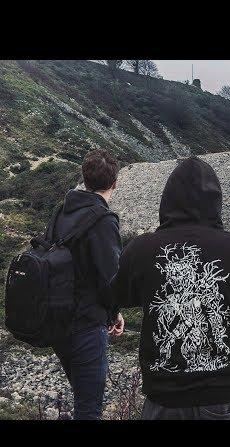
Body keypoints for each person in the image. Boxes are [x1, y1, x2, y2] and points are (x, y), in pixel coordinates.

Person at [111, 156, 230, 420]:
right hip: (229, 395)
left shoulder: (141, 249)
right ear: (216, 202)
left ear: (167, 201)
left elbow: (111, 295)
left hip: (165, 399)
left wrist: (116, 312)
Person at [50, 149, 125, 420]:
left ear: (84, 178)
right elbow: (111, 278)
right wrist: (115, 312)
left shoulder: (61, 211)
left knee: (82, 396)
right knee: (89, 407)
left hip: (58, 320)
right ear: (114, 183)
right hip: (86, 324)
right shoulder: (103, 220)